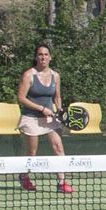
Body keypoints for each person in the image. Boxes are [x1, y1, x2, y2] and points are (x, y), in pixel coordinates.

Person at [15, 43, 72, 194]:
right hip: (31, 118)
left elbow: (57, 97)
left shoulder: (55, 76)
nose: (43, 57)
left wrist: (59, 109)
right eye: (40, 54)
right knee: (32, 153)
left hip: (49, 119)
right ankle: (24, 177)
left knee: (58, 147)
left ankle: (61, 183)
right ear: (36, 57)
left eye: (46, 54)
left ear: (50, 57)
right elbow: (21, 98)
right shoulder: (29, 75)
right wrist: (41, 109)